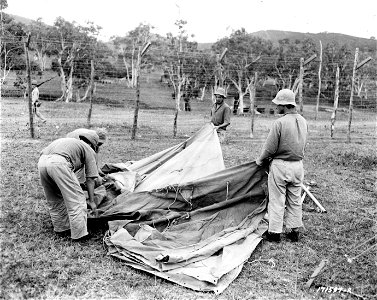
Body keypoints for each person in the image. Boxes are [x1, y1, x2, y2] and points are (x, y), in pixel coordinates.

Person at [255, 89, 308, 243]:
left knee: (277, 199)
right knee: (295, 199)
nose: (276, 107)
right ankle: (293, 231)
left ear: (285, 105)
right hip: (298, 165)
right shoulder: (303, 121)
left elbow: (269, 148)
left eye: (278, 105)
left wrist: (260, 160)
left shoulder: (279, 123)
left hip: (281, 165)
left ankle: (274, 233)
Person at [38, 132, 100, 241]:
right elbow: (90, 179)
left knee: (55, 199)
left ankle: (61, 229)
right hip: (59, 163)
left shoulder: (67, 142)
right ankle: (80, 235)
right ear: (92, 145)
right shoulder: (89, 150)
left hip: (42, 162)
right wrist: (91, 201)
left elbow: (42, 152)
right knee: (77, 201)